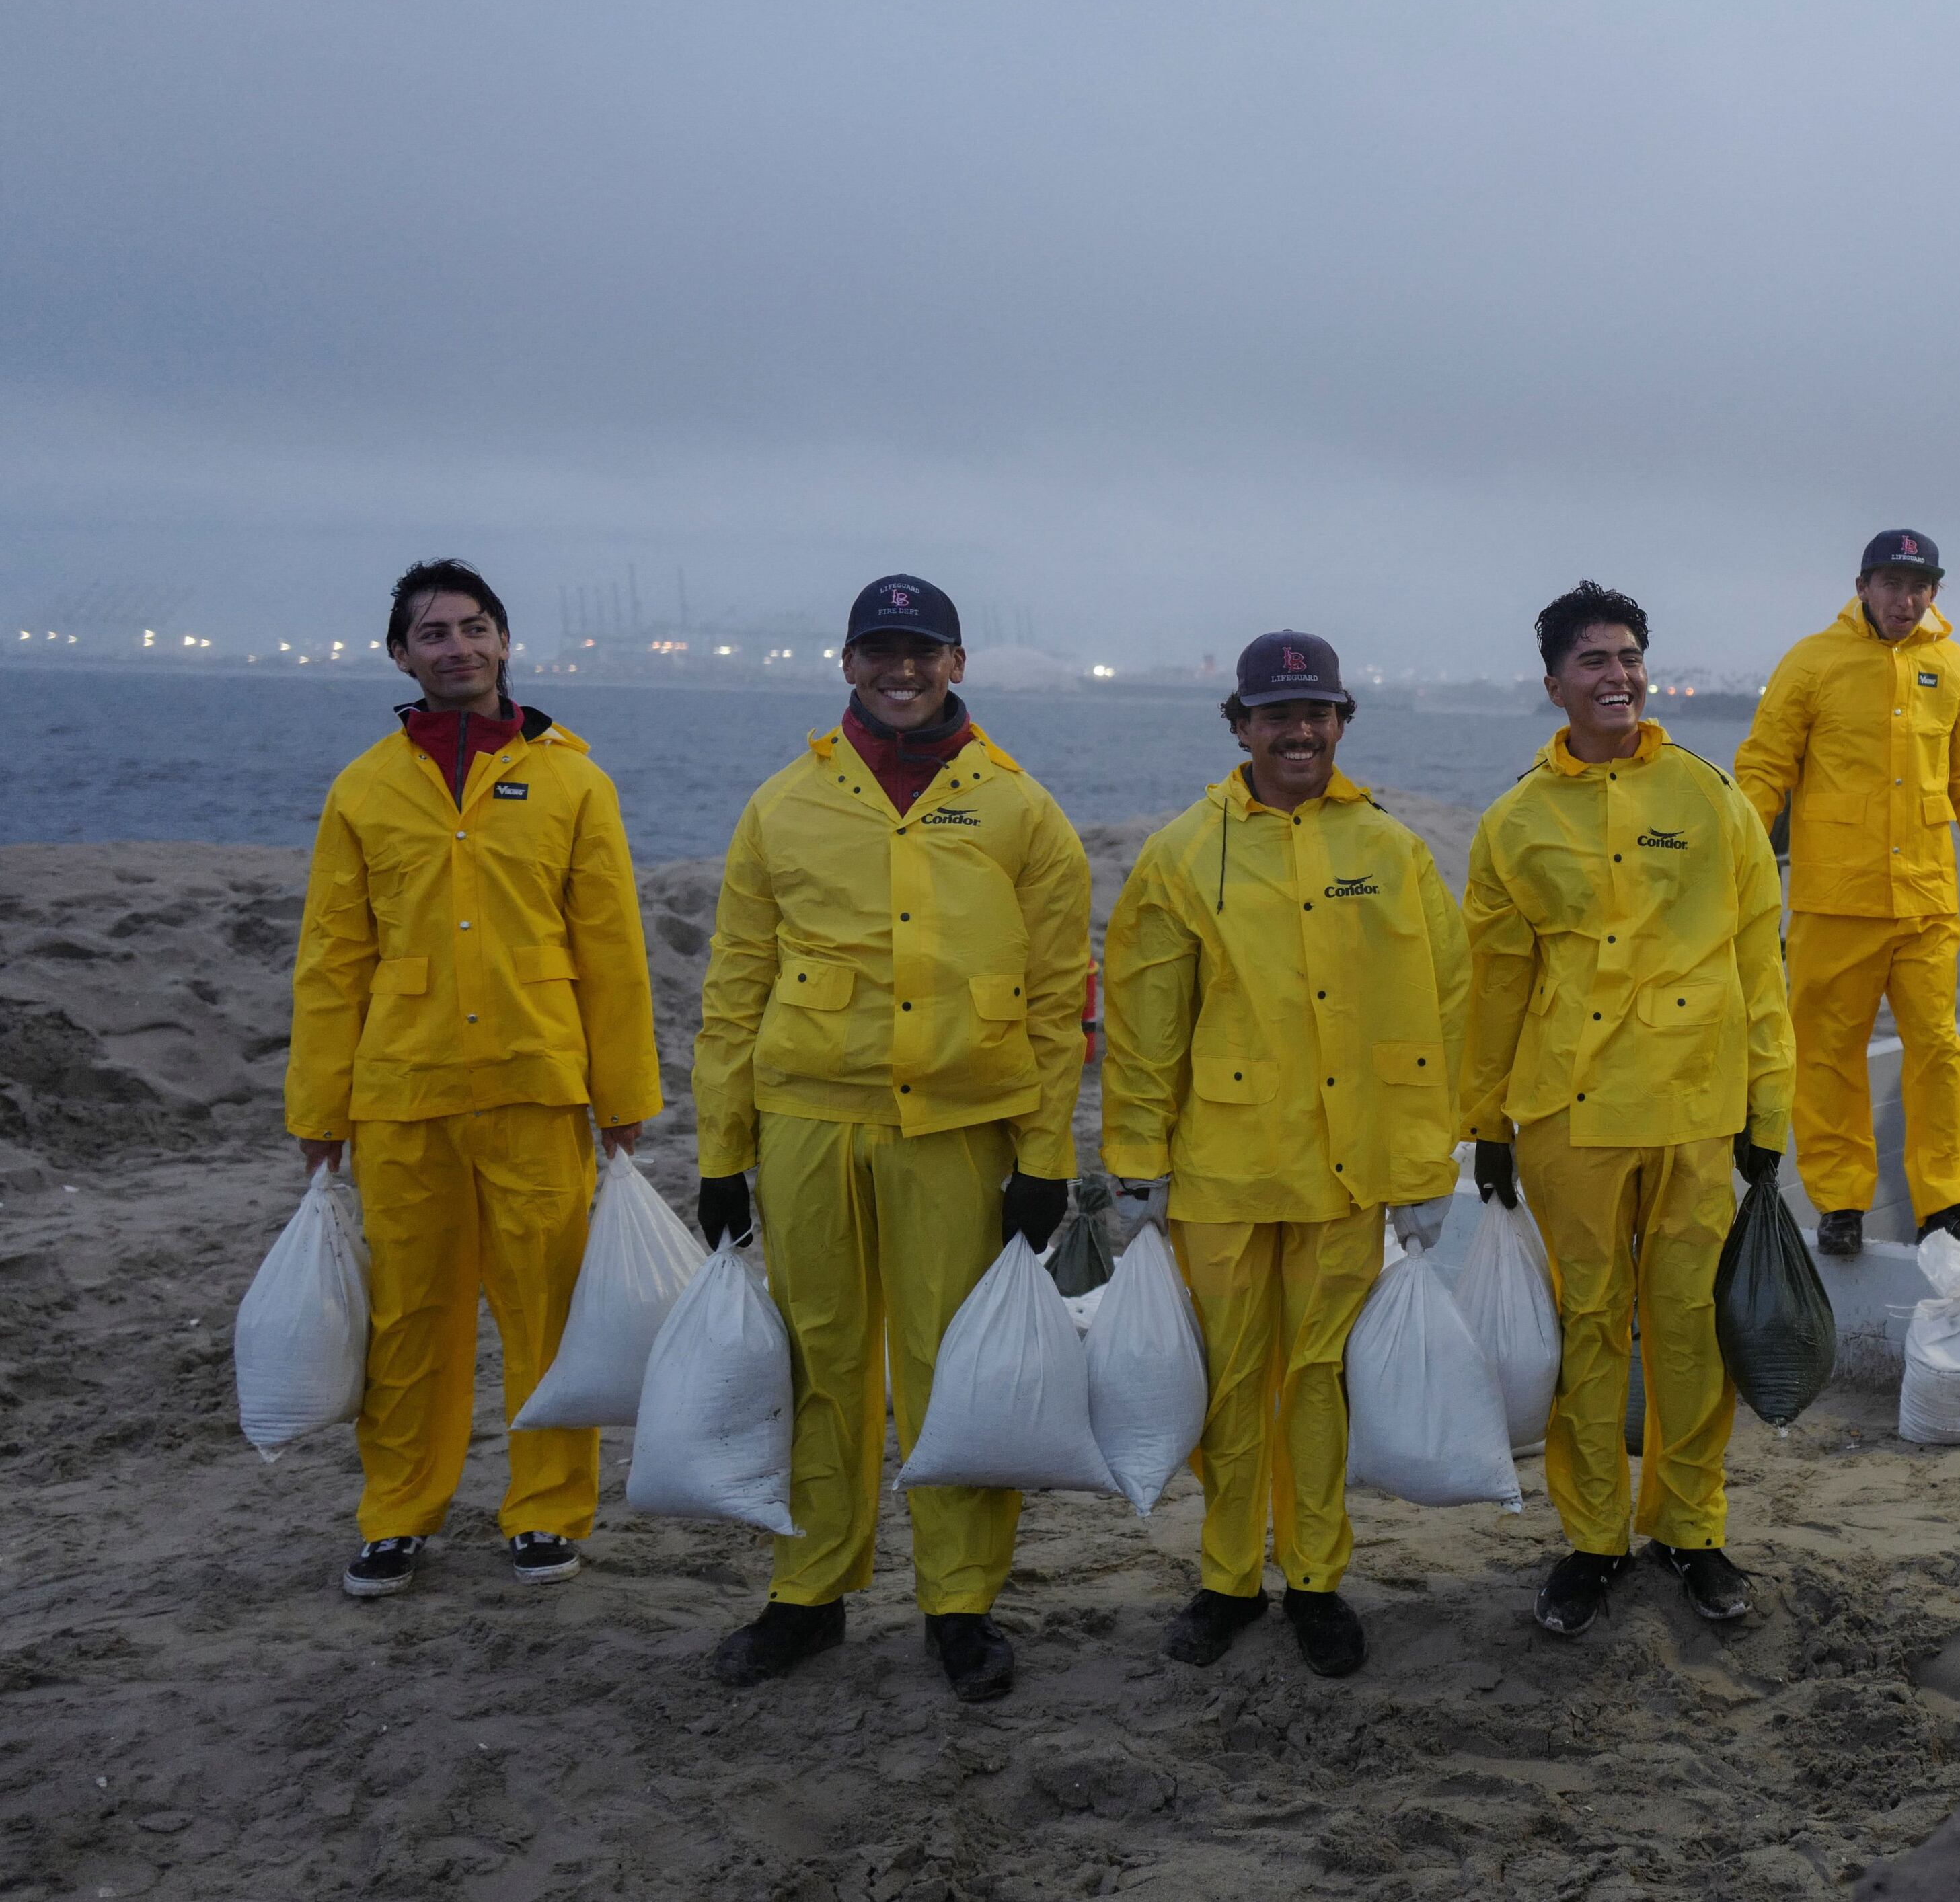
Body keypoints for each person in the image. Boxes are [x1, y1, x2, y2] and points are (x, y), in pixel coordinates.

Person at [691, 574, 1092, 1704]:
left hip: (958, 1129)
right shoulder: (783, 804)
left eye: (922, 649)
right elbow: (735, 983)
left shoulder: (1022, 809)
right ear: (848, 662)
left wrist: (1045, 1155)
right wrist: (723, 1148)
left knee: (947, 1370)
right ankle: (808, 1592)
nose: (900, 668)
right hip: (808, 1118)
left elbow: (1061, 995)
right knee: (819, 1360)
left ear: (958, 662)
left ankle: (959, 1602)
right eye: (879, 649)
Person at [286, 558, 663, 1600]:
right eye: (433, 632)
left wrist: (625, 1095)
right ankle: (397, 1513)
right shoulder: (363, 789)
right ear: (401, 654)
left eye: (473, 627)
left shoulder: (573, 781)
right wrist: (318, 1109)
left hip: (537, 1082)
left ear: (505, 641)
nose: (456, 646)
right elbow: (330, 959)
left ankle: (545, 1510)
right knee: (411, 1316)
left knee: (547, 1310)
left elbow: (613, 950)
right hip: (401, 1093)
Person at [1099, 631, 1466, 1681]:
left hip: (1348, 1174)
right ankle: (1225, 1579)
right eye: (1276, 714)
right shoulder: (1183, 853)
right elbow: (1146, 1020)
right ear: (1239, 724)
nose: (1298, 730)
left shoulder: (1389, 851)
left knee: (1316, 1381)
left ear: (1342, 721)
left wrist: (1425, 1167)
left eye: (1317, 713)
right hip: (1221, 1169)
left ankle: (1314, 1577)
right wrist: (1136, 1158)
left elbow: (1440, 1005)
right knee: (1227, 1380)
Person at [1466, 582, 1792, 1638]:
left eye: (1631, 656)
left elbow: (1760, 958)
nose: (1618, 675)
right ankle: (1594, 1539)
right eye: (1595, 660)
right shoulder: (1517, 819)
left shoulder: (1711, 799)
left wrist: (1769, 1107)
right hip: (1570, 1113)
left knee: (1693, 1330)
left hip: (1698, 1106)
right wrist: (1487, 1121)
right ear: (1554, 682)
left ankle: (1693, 1531)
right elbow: (1496, 979)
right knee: (1589, 1331)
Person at [1735, 530, 1960, 1266]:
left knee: (1938, 1050)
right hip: (1833, 900)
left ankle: (1947, 1206)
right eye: (1891, 583)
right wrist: (1735, 857)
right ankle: (1840, 1202)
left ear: (1936, 591)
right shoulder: (1812, 663)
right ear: (1861, 585)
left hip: (1925, 899)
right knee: (1828, 1053)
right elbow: (1765, 765)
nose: (1905, 599)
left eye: (1918, 585)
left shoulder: (1953, 668)